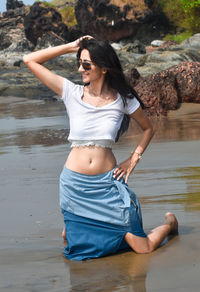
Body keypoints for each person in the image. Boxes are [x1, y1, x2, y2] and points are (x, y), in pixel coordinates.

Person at [23, 36, 178, 261]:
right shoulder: (71, 92)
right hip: (74, 186)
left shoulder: (122, 99)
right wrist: (70, 47)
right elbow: (29, 60)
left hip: (107, 184)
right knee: (78, 250)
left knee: (142, 247)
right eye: (79, 63)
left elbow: (148, 129)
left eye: (86, 64)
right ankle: (75, 224)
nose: (80, 69)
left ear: (103, 68)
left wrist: (133, 159)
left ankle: (169, 224)